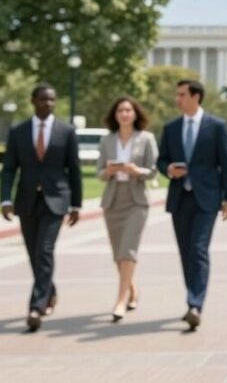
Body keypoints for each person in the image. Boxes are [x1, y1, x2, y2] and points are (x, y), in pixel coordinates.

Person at [0, 83, 82, 332]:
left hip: (56, 201)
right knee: (34, 253)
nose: (49, 103)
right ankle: (49, 290)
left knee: (44, 250)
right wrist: (5, 200)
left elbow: (74, 170)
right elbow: (9, 169)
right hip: (26, 201)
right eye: (44, 99)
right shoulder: (18, 132)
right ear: (33, 100)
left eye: (52, 100)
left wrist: (76, 204)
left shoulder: (66, 131)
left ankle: (35, 307)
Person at [157, 79, 227, 331]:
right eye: (177, 94)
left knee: (199, 249)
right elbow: (162, 160)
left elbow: (226, 164)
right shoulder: (171, 128)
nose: (177, 99)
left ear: (196, 96)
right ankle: (192, 297)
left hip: (207, 199)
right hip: (180, 199)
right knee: (185, 251)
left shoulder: (217, 126)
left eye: (181, 94)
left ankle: (195, 304)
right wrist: (168, 169)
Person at [96, 96, 158, 322]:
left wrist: (135, 170)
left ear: (135, 114)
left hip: (136, 200)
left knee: (128, 251)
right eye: (120, 110)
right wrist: (109, 171)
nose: (124, 114)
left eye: (128, 110)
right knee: (118, 254)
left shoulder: (146, 138)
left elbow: (153, 170)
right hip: (113, 200)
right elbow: (99, 172)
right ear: (115, 115)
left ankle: (120, 301)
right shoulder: (107, 141)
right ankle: (132, 289)